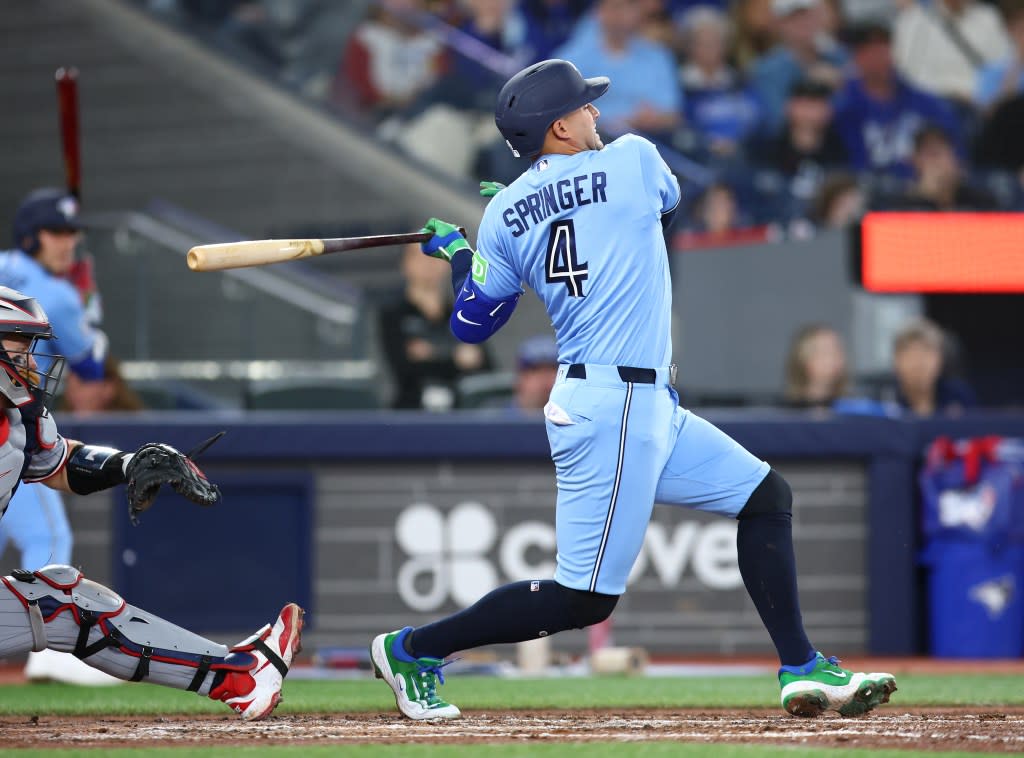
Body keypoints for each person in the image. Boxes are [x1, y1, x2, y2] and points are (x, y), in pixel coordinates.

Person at [369, 58, 896, 721]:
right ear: (557, 126)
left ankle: (800, 667)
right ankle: (414, 648)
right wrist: (525, 218)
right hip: (612, 404)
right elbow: (658, 216)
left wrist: (460, 256)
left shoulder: (503, 211)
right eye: (583, 108)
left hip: (639, 402)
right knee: (584, 600)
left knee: (765, 496)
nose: (596, 114)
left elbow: (474, 322)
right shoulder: (635, 160)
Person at [0, 285, 302, 719]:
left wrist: (130, 464)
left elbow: (60, 461)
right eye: (18, 347)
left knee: (67, 601)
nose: (31, 363)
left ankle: (240, 676)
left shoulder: (19, 414)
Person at [0, 188, 117, 684]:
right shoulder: (59, 294)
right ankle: (51, 650)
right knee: (48, 535)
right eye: (57, 232)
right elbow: (90, 364)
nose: (67, 242)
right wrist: (87, 307)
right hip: (12, 429)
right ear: (31, 236)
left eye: (72, 233)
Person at [832, 20, 963, 178]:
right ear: (857, 57)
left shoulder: (925, 104)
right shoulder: (842, 109)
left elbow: (956, 153)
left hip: (922, 192)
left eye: (883, 47)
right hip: (867, 193)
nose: (879, 57)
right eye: (869, 50)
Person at [378, 243, 491, 410]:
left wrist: (430, 356)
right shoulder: (393, 315)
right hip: (409, 414)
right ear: (405, 263)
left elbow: (486, 368)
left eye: (436, 256)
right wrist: (456, 359)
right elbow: (403, 370)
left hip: (461, 414)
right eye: (422, 256)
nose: (429, 263)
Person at [553, 0, 681, 139]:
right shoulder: (571, 60)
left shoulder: (658, 57)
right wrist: (620, 121)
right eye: (616, 7)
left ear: (639, 13)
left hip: (650, 141)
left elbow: (673, 116)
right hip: (591, 145)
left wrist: (654, 119)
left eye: (630, 7)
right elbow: (560, 116)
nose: (622, 14)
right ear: (599, 12)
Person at [873, 124, 999, 211]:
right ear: (915, 161)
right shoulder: (900, 206)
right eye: (931, 155)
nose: (937, 163)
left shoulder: (979, 201)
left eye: (941, 153)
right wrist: (926, 197)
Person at [884, 317, 977, 416]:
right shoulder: (883, 399)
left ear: (940, 359)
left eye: (926, 352)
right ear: (896, 360)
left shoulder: (959, 396)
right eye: (911, 353)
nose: (919, 363)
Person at [782, 323, 849, 408]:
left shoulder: (853, 409)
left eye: (838, 350)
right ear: (804, 360)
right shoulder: (787, 413)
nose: (836, 358)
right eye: (825, 352)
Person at [513, 334, 560, 412]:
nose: (545, 378)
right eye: (535, 370)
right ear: (519, 382)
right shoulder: (495, 418)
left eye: (553, 369)